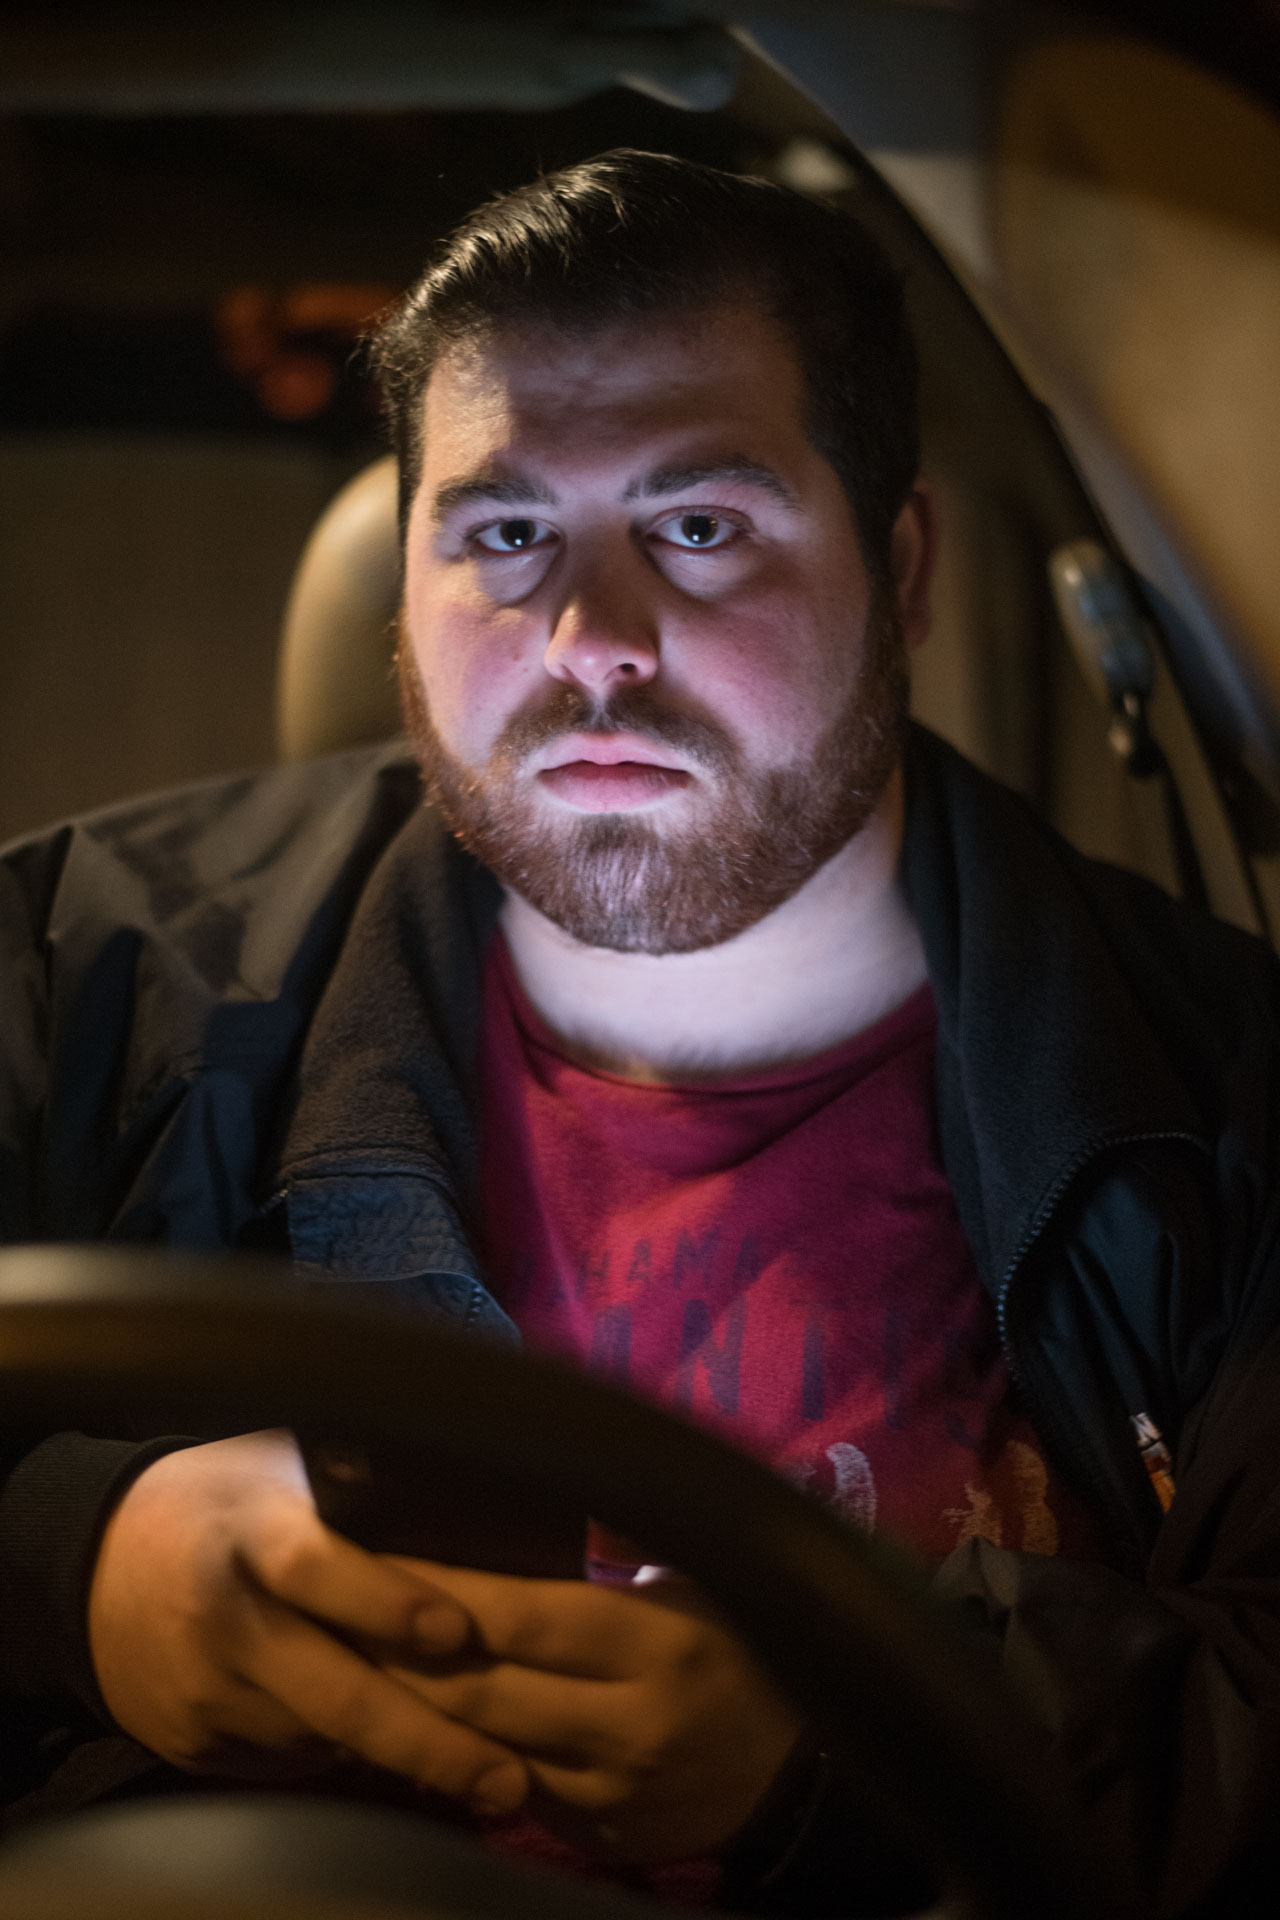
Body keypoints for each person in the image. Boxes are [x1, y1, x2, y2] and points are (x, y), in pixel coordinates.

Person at [1, 150, 1278, 1918]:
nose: (592, 643)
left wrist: (852, 1747)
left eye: (699, 527)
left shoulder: (1227, 1091)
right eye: (505, 535)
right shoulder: (70, 972)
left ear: (902, 569)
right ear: (405, 595)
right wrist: (64, 1564)